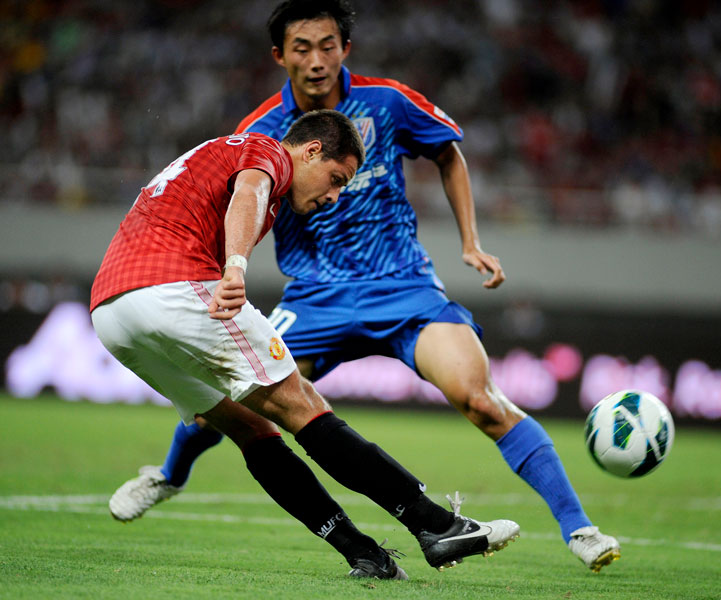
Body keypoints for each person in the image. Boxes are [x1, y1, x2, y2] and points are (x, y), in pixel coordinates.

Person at [108, 0, 619, 573]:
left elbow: (448, 153)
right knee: (226, 407)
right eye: (302, 48)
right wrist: (231, 267)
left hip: (402, 286)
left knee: (481, 399)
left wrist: (470, 242)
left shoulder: (387, 99)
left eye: (329, 45)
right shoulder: (258, 131)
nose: (318, 59)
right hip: (315, 294)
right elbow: (239, 202)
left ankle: (579, 529)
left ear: (345, 48)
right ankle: (169, 475)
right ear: (279, 56)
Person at [92, 108, 520, 580]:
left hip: (111, 314)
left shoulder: (213, 157)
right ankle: (435, 525)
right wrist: (235, 266)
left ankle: (366, 555)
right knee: (304, 405)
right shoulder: (266, 150)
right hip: (171, 286)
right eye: (336, 178)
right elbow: (249, 190)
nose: (334, 195)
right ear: (311, 151)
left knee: (251, 429)